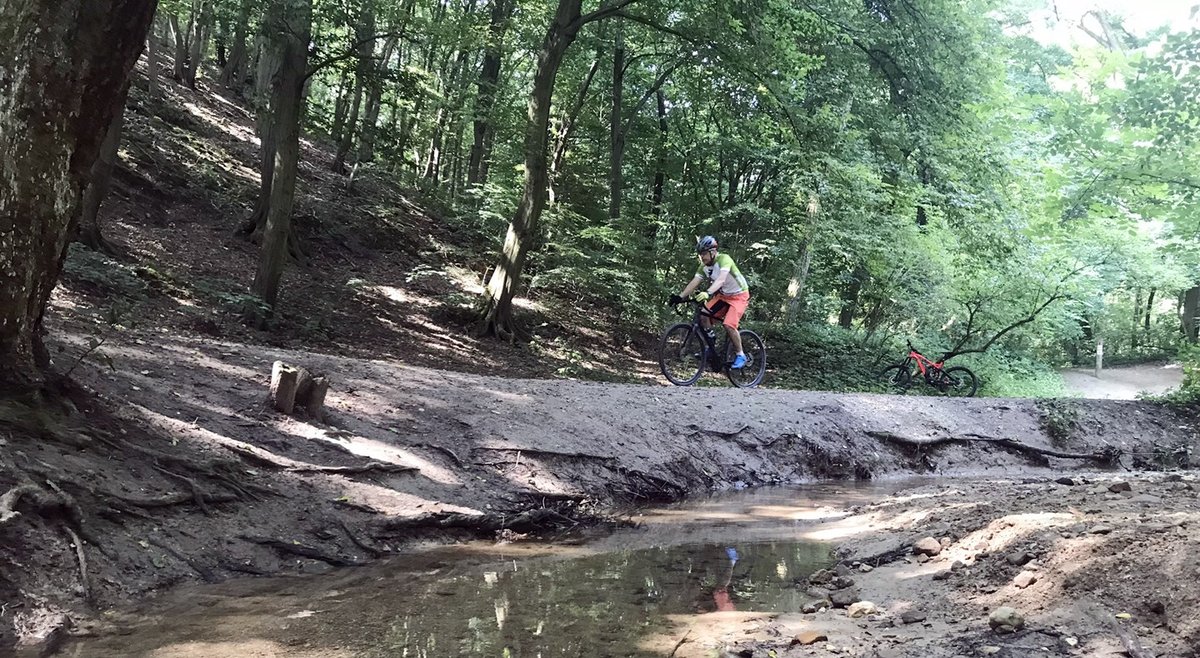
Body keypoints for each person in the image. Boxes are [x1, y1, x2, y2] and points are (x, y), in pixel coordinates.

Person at [669, 236, 751, 369]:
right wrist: (680, 297)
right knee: (703, 315)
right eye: (700, 254)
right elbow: (694, 282)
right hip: (724, 296)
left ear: (713, 252)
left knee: (729, 324)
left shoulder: (724, 259)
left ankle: (741, 354)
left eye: (704, 254)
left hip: (739, 295)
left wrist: (708, 293)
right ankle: (711, 345)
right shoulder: (704, 267)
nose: (702, 257)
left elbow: (721, 280)